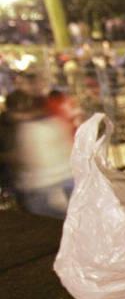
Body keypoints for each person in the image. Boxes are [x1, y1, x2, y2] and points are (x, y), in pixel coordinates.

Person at [0, 90, 74, 219]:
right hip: (67, 177)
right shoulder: (54, 120)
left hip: (43, 185)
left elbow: (27, 159)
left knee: (55, 226)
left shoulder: (27, 129)